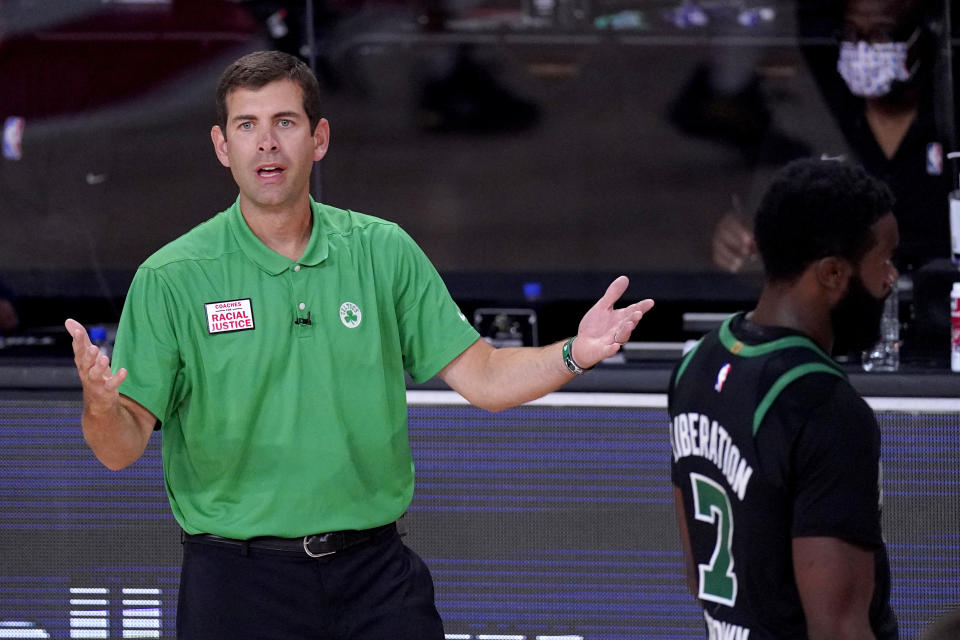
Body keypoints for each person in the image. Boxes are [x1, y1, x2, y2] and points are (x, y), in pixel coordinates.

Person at [64, 50, 654, 639]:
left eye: (285, 123)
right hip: (237, 587)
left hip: (375, 578)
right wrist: (99, 401)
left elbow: (487, 377)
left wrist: (577, 350)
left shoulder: (382, 251)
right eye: (248, 126)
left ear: (319, 138)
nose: (267, 143)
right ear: (222, 146)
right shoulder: (172, 277)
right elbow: (120, 448)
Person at [670, 159, 898, 639]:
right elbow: (837, 629)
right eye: (885, 259)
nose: (891, 279)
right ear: (834, 273)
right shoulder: (823, 405)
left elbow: (698, 577)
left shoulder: (696, 365)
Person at [712, 0, 952, 275]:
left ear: (926, 31)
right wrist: (737, 238)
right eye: (851, 33)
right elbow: (762, 226)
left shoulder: (949, 119)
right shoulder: (810, 121)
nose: (863, 49)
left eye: (883, 34)